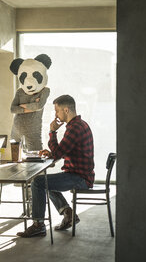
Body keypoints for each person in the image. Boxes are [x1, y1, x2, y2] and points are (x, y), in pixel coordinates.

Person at [17, 94, 95, 237]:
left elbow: (59, 152)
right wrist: (53, 153)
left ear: (66, 110)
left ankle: (38, 224)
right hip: (80, 174)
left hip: (80, 178)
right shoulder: (79, 124)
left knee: (38, 183)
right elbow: (65, 151)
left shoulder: (74, 128)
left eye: (57, 111)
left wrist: (52, 131)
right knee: (47, 181)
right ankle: (68, 213)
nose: (55, 114)